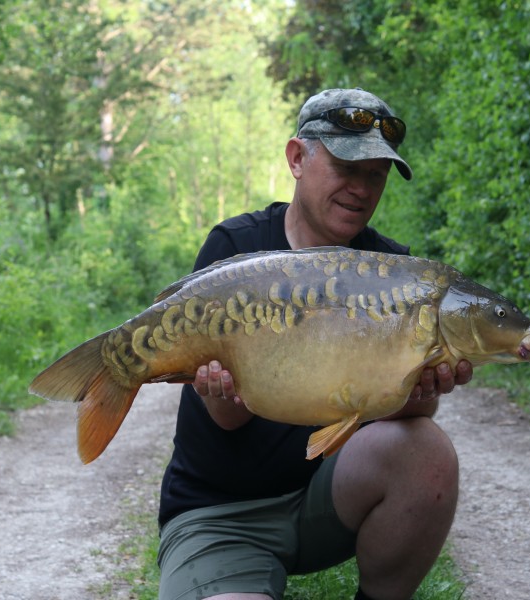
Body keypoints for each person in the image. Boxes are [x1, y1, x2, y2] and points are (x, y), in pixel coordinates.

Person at [157, 88, 474, 600]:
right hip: (221, 516)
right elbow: (228, 420)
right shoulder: (235, 249)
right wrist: (220, 392)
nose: (362, 189)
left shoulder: (393, 269)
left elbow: (399, 410)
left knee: (426, 450)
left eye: (376, 175)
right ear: (297, 158)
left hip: (324, 501)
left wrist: (423, 385)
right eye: (348, 167)